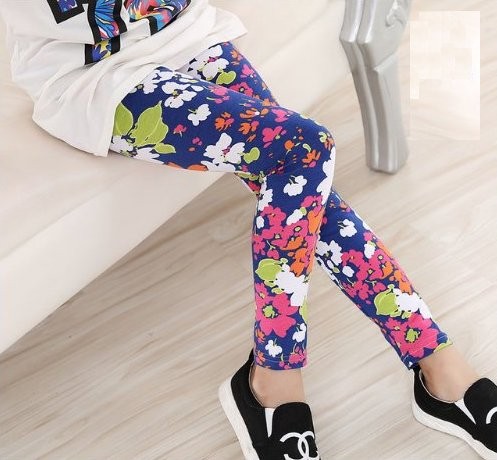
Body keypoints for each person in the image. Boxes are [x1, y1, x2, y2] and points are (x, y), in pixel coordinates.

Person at [1, 2, 496, 459]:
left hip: (187, 32)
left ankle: (419, 363)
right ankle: (319, 372)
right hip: (95, 75)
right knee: (305, 148)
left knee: (304, 172)